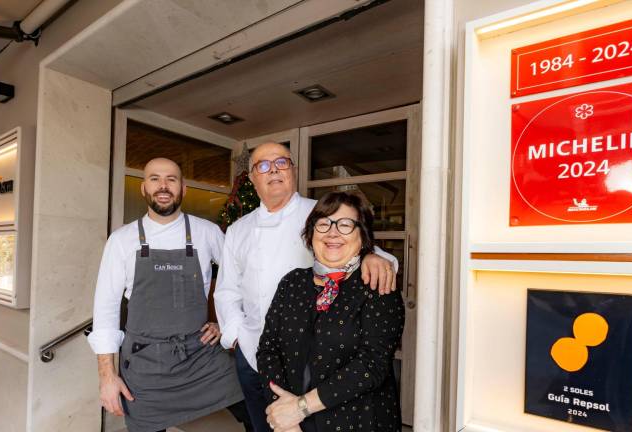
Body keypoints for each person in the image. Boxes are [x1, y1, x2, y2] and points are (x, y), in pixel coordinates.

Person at [214, 143, 398, 432]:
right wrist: (237, 336)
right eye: (263, 165)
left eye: (282, 162)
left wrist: (373, 255)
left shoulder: (322, 213)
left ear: (293, 170)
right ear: (252, 177)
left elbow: (366, 254)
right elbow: (226, 290)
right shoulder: (239, 229)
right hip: (253, 355)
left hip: (311, 362)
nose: (273, 169)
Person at [88, 157, 251, 432]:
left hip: (201, 355)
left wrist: (225, 323)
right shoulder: (121, 240)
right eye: (154, 179)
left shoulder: (207, 232)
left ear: (183, 189)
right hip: (144, 363)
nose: (163, 186)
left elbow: (243, 282)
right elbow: (105, 309)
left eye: (171, 179)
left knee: (254, 405)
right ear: (144, 188)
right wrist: (107, 376)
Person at [258, 191, 405, 432]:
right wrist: (284, 413)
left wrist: (300, 408)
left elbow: (372, 365)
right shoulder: (292, 282)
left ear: (363, 236)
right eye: (323, 223)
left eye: (345, 224)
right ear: (311, 233)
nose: (332, 232)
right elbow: (268, 349)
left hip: (358, 421)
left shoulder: (377, 286)